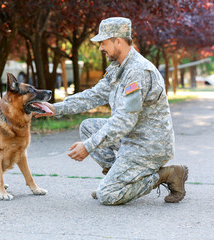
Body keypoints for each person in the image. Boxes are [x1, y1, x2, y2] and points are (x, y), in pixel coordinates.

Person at [35, 17, 188, 205]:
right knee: (87, 127)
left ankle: (166, 174)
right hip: (131, 136)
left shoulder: (138, 71)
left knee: (108, 196)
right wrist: (56, 108)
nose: (100, 48)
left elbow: (124, 121)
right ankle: (116, 181)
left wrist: (88, 146)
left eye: (103, 42)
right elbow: (94, 95)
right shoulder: (119, 67)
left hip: (148, 145)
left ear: (118, 41)